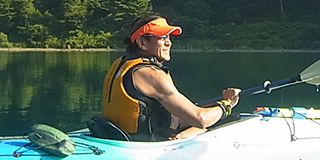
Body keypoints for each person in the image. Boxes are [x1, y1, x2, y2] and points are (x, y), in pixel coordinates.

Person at [102, 14, 240, 141]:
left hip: (120, 135)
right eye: (162, 38)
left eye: (169, 37)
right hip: (147, 143)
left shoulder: (122, 63)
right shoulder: (151, 74)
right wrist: (227, 103)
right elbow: (201, 119)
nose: (169, 43)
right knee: (231, 118)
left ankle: (180, 136)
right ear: (142, 43)